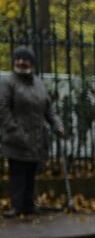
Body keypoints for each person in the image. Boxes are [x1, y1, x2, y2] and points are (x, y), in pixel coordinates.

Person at [1, 46, 63, 218]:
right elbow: (3, 109)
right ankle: (17, 206)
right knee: (18, 172)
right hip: (16, 137)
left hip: (36, 137)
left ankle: (28, 205)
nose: (21, 62)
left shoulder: (38, 83)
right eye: (18, 59)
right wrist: (13, 130)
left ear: (31, 62)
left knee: (31, 172)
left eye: (25, 59)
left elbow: (49, 109)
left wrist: (57, 124)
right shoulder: (7, 82)